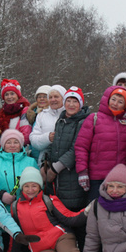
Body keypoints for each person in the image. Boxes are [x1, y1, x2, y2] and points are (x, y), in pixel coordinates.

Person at [10, 167, 124, 252]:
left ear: (40, 186)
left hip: (60, 237)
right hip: (40, 246)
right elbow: (14, 230)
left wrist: (86, 211)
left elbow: (69, 217)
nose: (30, 190)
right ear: (22, 187)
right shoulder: (15, 207)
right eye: (26, 186)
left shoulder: (48, 200)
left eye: (34, 186)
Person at [74, 85, 126, 202]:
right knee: (96, 210)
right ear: (107, 99)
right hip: (97, 178)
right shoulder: (94, 118)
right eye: (113, 99)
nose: (115, 103)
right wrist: (82, 171)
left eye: (120, 102)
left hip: (120, 180)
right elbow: (81, 146)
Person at [41, 86, 90, 214]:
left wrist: (55, 169)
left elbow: (76, 149)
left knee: (72, 212)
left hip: (71, 176)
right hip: (58, 179)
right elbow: (54, 144)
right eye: (68, 101)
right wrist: (45, 162)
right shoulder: (61, 120)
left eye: (75, 101)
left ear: (80, 104)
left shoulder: (83, 122)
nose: (71, 105)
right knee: (57, 211)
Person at [29, 84, 66, 165]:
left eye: (56, 97)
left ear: (63, 98)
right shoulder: (42, 115)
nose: (53, 100)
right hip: (45, 162)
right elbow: (33, 139)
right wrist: (47, 138)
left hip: (66, 162)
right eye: (50, 97)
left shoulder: (69, 114)